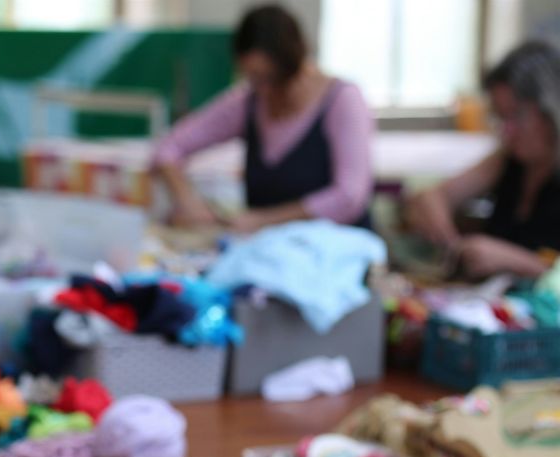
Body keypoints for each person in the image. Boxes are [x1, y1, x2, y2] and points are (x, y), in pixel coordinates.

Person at [153, 3, 374, 232]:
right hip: (270, 254)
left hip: (338, 254)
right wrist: (187, 202)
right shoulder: (249, 101)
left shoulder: (342, 100)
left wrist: (265, 220)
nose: (265, 90)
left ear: (298, 65)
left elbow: (350, 197)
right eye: (254, 78)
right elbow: (169, 148)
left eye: (271, 79)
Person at [405, 41, 560, 279]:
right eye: (500, 117)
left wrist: (516, 261)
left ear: (552, 111)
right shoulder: (508, 159)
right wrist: (447, 236)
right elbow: (432, 197)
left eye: (517, 115)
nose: (508, 131)